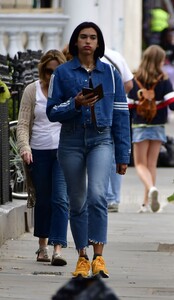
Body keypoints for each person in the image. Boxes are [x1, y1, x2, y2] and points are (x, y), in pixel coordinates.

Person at [46, 21, 131, 278]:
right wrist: (76, 103)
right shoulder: (62, 73)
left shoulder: (110, 74)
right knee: (78, 201)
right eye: (83, 37)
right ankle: (82, 257)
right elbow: (52, 112)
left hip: (101, 140)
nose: (88, 41)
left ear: (98, 43)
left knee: (97, 195)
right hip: (71, 141)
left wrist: (123, 154)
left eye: (93, 37)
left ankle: (99, 257)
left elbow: (121, 115)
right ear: (75, 41)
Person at [17, 49, 69, 266]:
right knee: (44, 199)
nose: (51, 76)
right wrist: (24, 147)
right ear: (42, 71)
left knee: (60, 199)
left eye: (56, 72)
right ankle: (42, 247)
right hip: (38, 152)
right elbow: (22, 123)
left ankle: (58, 249)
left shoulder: (68, 91)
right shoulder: (32, 90)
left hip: (63, 152)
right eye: (48, 71)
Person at [127, 45, 174, 213]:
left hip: (140, 126)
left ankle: (150, 194)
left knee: (140, 164)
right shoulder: (164, 79)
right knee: (151, 165)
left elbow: (129, 106)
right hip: (158, 126)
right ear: (158, 61)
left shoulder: (135, 80)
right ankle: (146, 202)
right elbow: (172, 104)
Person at [102, 47, 133, 212]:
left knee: (104, 151)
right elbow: (129, 83)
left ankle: (106, 196)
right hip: (119, 109)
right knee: (114, 154)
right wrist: (118, 95)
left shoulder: (88, 60)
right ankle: (113, 198)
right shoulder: (116, 56)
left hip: (102, 111)